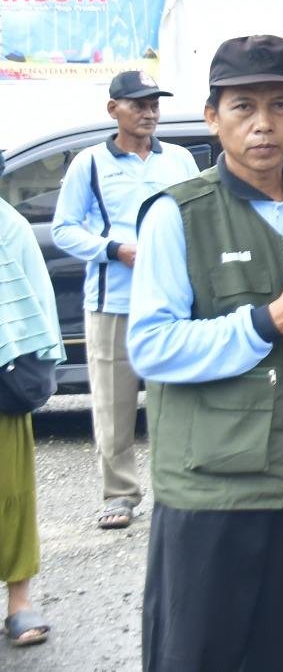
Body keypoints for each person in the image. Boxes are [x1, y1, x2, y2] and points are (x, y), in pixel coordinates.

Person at [128, 35, 283, 672]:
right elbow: (151, 346)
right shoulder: (178, 215)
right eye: (243, 106)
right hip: (210, 487)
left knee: (269, 652)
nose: (262, 124)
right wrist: (268, 320)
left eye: (280, 105)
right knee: (192, 655)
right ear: (211, 116)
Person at [50, 70, 198, 530]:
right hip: (112, 303)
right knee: (113, 407)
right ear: (113, 109)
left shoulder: (178, 160)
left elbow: (200, 216)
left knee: (173, 402)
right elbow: (63, 229)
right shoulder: (90, 163)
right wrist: (115, 249)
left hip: (171, 302)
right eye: (138, 104)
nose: (149, 113)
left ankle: (176, 489)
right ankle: (119, 495)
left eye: (154, 104)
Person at [2, 193, 62, 648]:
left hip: (2, 375)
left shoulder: (10, 226)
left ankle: (18, 602)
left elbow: (36, 303)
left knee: (11, 494)